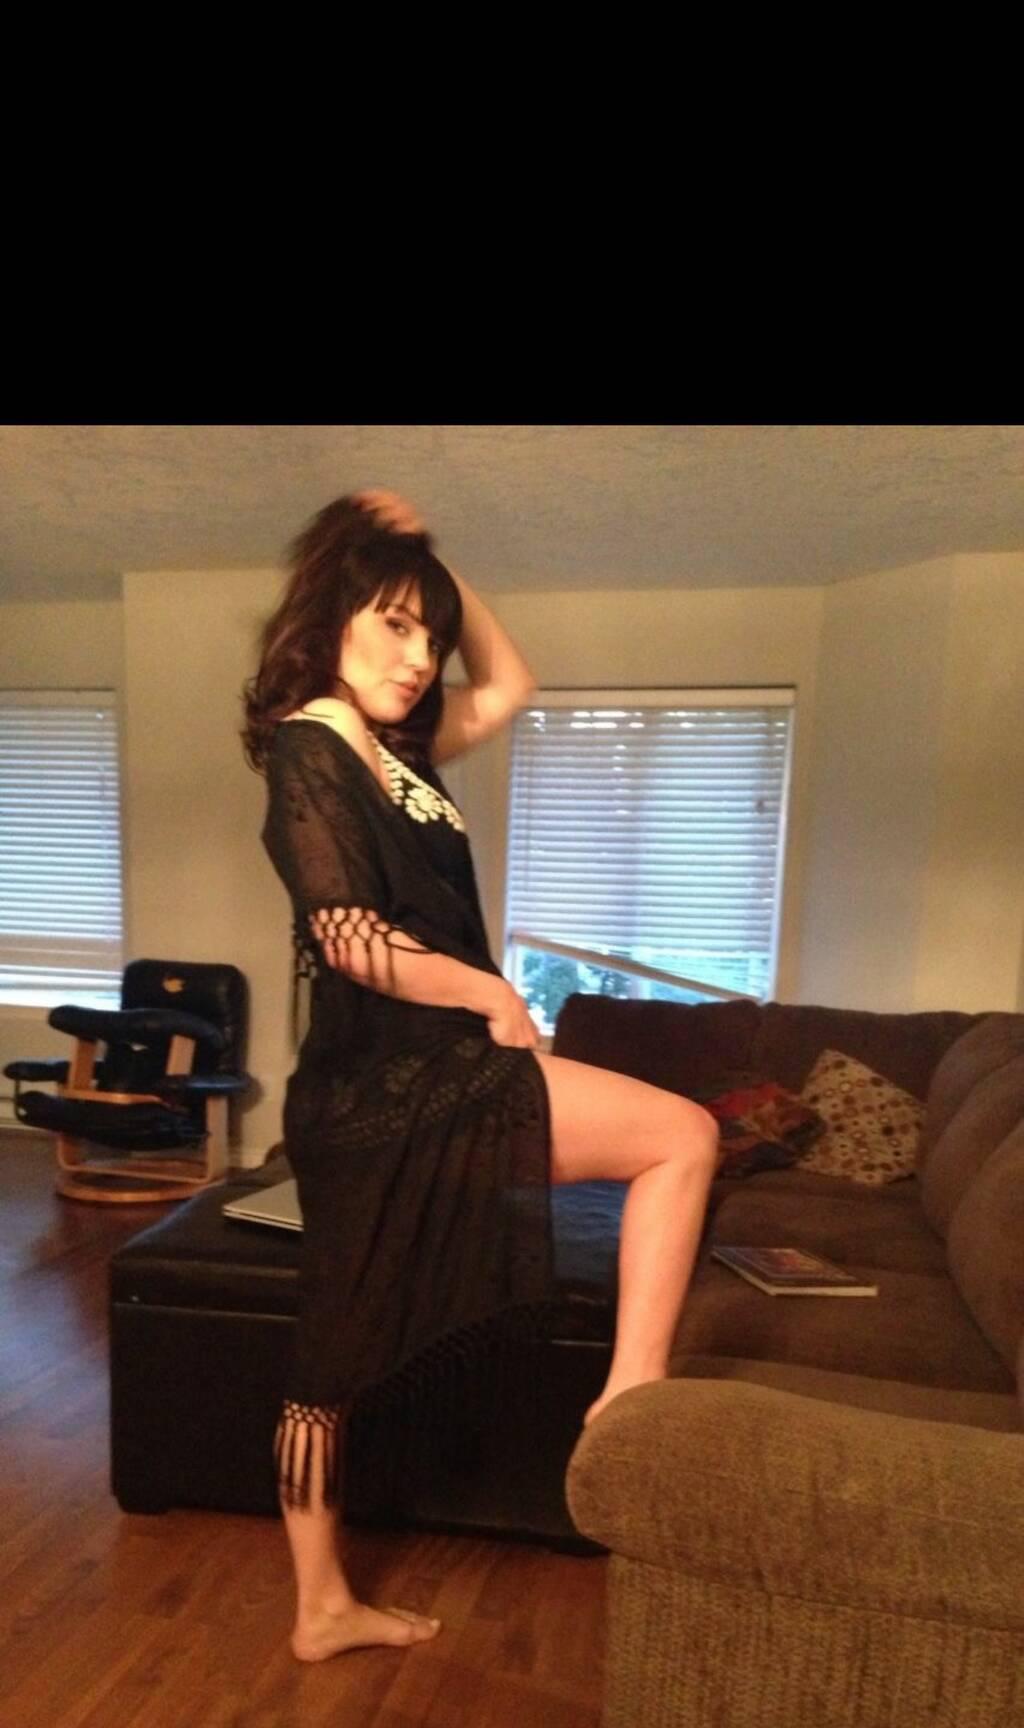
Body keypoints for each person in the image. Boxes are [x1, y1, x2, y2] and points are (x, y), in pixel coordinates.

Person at [242, 489, 719, 1663]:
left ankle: (320, 1609)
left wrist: (433, 565)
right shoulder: (311, 744)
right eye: (395, 624)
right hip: (388, 1082)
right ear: (334, 615)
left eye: (432, 636)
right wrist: (491, 996)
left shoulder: (401, 749)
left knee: (326, 1369)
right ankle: (628, 1398)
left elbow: (511, 685)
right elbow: (347, 934)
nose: (421, 658)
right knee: (683, 1136)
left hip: (402, 1079)